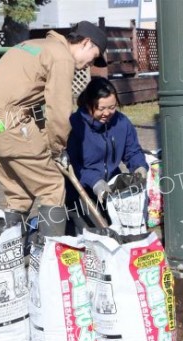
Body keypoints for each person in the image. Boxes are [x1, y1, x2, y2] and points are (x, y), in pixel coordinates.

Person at [0, 21, 107, 244]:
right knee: (52, 186)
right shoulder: (62, 58)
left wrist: (45, 139)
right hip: (10, 122)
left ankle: (12, 255)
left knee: (18, 193)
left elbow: (31, 102)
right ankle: (49, 258)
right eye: (93, 57)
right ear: (85, 42)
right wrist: (57, 148)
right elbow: (59, 111)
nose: (87, 65)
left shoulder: (35, 45)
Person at [65, 77, 148, 234]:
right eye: (101, 108)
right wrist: (95, 182)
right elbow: (73, 165)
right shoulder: (75, 125)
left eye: (112, 107)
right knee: (97, 232)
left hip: (111, 187)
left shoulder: (121, 122)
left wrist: (139, 167)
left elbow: (133, 151)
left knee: (125, 227)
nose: (107, 113)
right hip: (81, 191)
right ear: (89, 104)